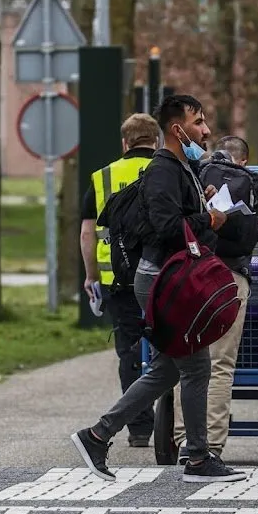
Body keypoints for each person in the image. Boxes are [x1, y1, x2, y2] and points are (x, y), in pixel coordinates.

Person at [71, 94, 244, 484]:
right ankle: (198, 457)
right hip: (163, 278)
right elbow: (166, 225)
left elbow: (174, 216)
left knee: (170, 367)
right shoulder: (164, 169)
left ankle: (98, 435)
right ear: (177, 129)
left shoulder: (179, 167)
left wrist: (203, 203)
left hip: (167, 275)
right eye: (198, 122)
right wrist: (209, 219)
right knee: (195, 366)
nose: (206, 130)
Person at [173, 136, 258, 462]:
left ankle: (182, 439)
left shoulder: (194, 173)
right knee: (220, 363)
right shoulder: (253, 181)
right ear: (244, 161)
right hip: (229, 278)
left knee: (186, 359)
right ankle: (209, 446)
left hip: (190, 274)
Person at [80, 113, 157, 447]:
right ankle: (180, 422)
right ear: (156, 141)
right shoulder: (169, 171)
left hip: (119, 281)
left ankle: (139, 428)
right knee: (176, 348)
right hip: (163, 276)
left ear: (125, 143)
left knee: (130, 351)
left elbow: (87, 233)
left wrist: (91, 276)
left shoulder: (102, 177)